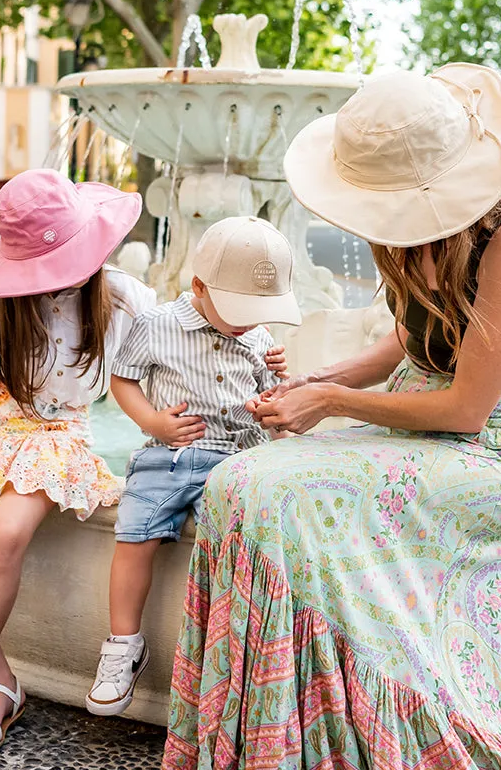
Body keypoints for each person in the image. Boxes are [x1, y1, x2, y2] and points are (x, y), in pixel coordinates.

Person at [164, 66, 501, 769]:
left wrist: (329, 402)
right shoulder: (415, 227)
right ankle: (273, 739)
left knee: (274, 495)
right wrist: (323, 376)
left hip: (486, 451)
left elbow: (466, 405)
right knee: (238, 481)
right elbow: (413, 338)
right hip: (418, 423)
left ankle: (349, 732)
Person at [0, 169, 155, 768]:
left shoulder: (121, 298)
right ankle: (1, 680)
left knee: (6, 531)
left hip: (56, 431)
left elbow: (188, 341)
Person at [86, 216, 299, 718]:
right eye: (238, 310)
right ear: (199, 287)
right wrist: (154, 423)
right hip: (169, 455)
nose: (248, 322)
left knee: (239, 539)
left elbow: (267, 401)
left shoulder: (255, 333)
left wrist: (276, 391)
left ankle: (233, 652)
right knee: (134, 533)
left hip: (237, 458)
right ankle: (123, 645)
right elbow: (123, 381)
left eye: (257, 312)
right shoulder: (157, 324)